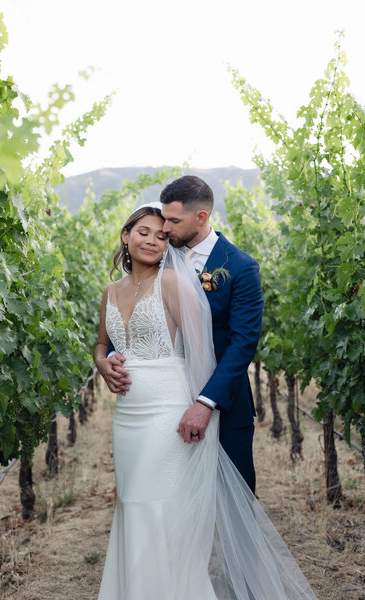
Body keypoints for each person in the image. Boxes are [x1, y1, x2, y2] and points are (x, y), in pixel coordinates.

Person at [94, 204, 318, 600]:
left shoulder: (174, 284)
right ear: (126, 236)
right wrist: (103, 363)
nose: (152, 240)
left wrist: (203, 407)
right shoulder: (110, 292)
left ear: (169, 246)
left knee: (161, 506)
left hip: (167, 411)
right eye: (143, 232)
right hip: (127, 416)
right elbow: (101, 345)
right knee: (131, 502)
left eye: (162, 236)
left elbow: (202, 352)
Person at [98, 175, 263, 493]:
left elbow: (243, 343)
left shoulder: (240, 267)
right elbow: (135, 326)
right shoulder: (155, 259)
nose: (166, 228)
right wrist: (105, 359)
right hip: (160, 408)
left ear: (201, 217)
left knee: (231, 501)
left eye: (173, 221)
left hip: (222, 405)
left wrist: (205, 403)